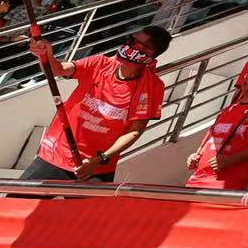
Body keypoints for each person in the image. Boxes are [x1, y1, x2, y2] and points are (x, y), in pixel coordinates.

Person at [23, 26, 171, 183]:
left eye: (141, 45)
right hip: (56, 154)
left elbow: (135, 130)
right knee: (16, 198)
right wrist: (46, 55)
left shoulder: (153, 86)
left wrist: (100, 159)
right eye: (132, 40)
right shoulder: (100, 63)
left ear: (150, 54)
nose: (131, 45)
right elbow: (58, 70)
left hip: (97, 167)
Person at [186, 66, 248, 191]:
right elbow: (213, 134)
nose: (247, 77)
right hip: (198, 180)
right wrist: (197, 154)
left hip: (229, 185)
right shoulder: (230, 108)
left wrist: (229, 160)